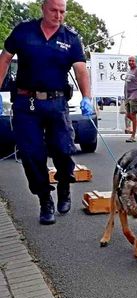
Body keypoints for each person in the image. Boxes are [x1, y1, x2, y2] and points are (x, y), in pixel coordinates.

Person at [0, 0, 94, 225]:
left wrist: (88, 97)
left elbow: (81, 69)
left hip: (56, 103)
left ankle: (64, 185)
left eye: (62, 11)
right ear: (42, 8)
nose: (58, 15)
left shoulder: (70, 38)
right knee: (31, 155)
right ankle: (45, 200)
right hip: (26, 102)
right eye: (54, 10)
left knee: (63, 149)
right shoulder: (24, 31)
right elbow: (4, 59)